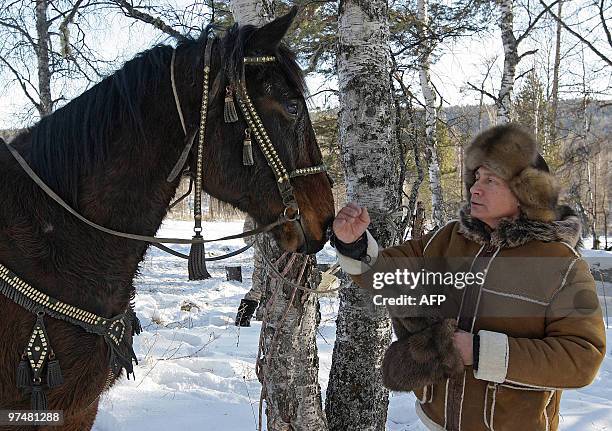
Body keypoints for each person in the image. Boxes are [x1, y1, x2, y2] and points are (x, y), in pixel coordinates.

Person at [331, 124, 606, 431]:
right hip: (439, 421)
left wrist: (479, 351)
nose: (476, 187)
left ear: (525, 194)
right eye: (476, 178)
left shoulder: (561, 264)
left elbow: (582, 358)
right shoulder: (448, 238)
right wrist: (353, 242)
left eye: (491, 180)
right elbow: (384, 273)